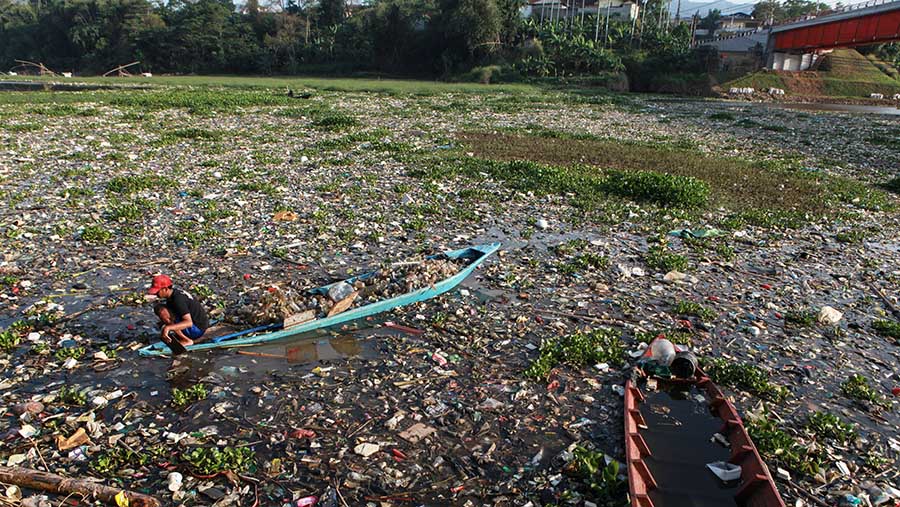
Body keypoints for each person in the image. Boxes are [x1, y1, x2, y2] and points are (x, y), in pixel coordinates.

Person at [148, 274, 209, 347]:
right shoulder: (173, 294)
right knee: (159, 308)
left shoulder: (178, 300)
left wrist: (167, 328)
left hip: (197, 329)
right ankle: (182, 335)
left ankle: (187, 340)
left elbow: (188, 323)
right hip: (198, 324)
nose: (156, 293)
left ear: (165, 289)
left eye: (158, 291)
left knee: (162, 312)